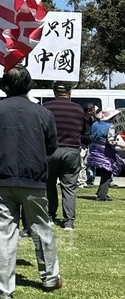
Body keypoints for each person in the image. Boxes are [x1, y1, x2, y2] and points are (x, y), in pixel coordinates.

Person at [0, 66, 61, 298]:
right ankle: (50, 278)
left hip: (0, 180)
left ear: (4, 87)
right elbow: (51, 148)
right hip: (34, 179)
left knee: (3, 234)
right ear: (29, 85)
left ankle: (4, 289)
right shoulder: (43, 114)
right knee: (42, 229)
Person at [42, 81, 85, 230]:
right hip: (72, 151)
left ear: (54, 92)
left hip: (50, 151)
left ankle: (50, 216)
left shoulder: (46, 108)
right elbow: (83, 131)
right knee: (69, 188)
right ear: (70, 92)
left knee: (49, 185)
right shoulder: (79, 109)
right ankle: (68, 222)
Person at [88, 109, 123, 201]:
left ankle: (100, 192)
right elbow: (110, 141)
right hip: (106, 151)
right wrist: (119, 144)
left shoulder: (95, 124)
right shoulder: (111, 127)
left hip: (95, 150)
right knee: (107, 172)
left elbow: (91, 136)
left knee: (104, 172)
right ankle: (102, 196)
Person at [80, 103, 97, 188]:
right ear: (88, 111)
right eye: (93, 110)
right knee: (82, 164)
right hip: (82, 144)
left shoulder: (92, 119)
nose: (94, 111)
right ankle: (81, 182)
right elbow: (79, 133)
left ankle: (89, 180)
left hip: (89, 143)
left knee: (88, 163)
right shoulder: (82, 120)